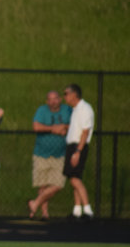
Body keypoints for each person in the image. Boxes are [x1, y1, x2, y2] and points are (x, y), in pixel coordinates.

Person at [27, 90, 71, 220]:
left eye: (56, 98)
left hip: (60, 154)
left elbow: (75, 124)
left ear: (60, 99)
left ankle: (35, 203)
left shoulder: (67, 110)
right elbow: (36, 127)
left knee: (58, 184)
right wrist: (53, 129)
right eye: (50, 99)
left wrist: (64, 127)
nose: (53, 101)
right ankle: (44, 213)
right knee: (43, 184)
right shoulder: (42, 110)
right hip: (42, 153)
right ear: (47, 101)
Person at [62, 84, 95, 220]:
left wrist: (77, 151)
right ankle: (77, 210)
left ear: (74, 95)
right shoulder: (75, 110)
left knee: (75, 179)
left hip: (78, 147)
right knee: (74, 177)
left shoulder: (85, 109)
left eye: (66, 93)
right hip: (73, 146)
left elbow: (85, 132)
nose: (65, 96)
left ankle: (88, 210)